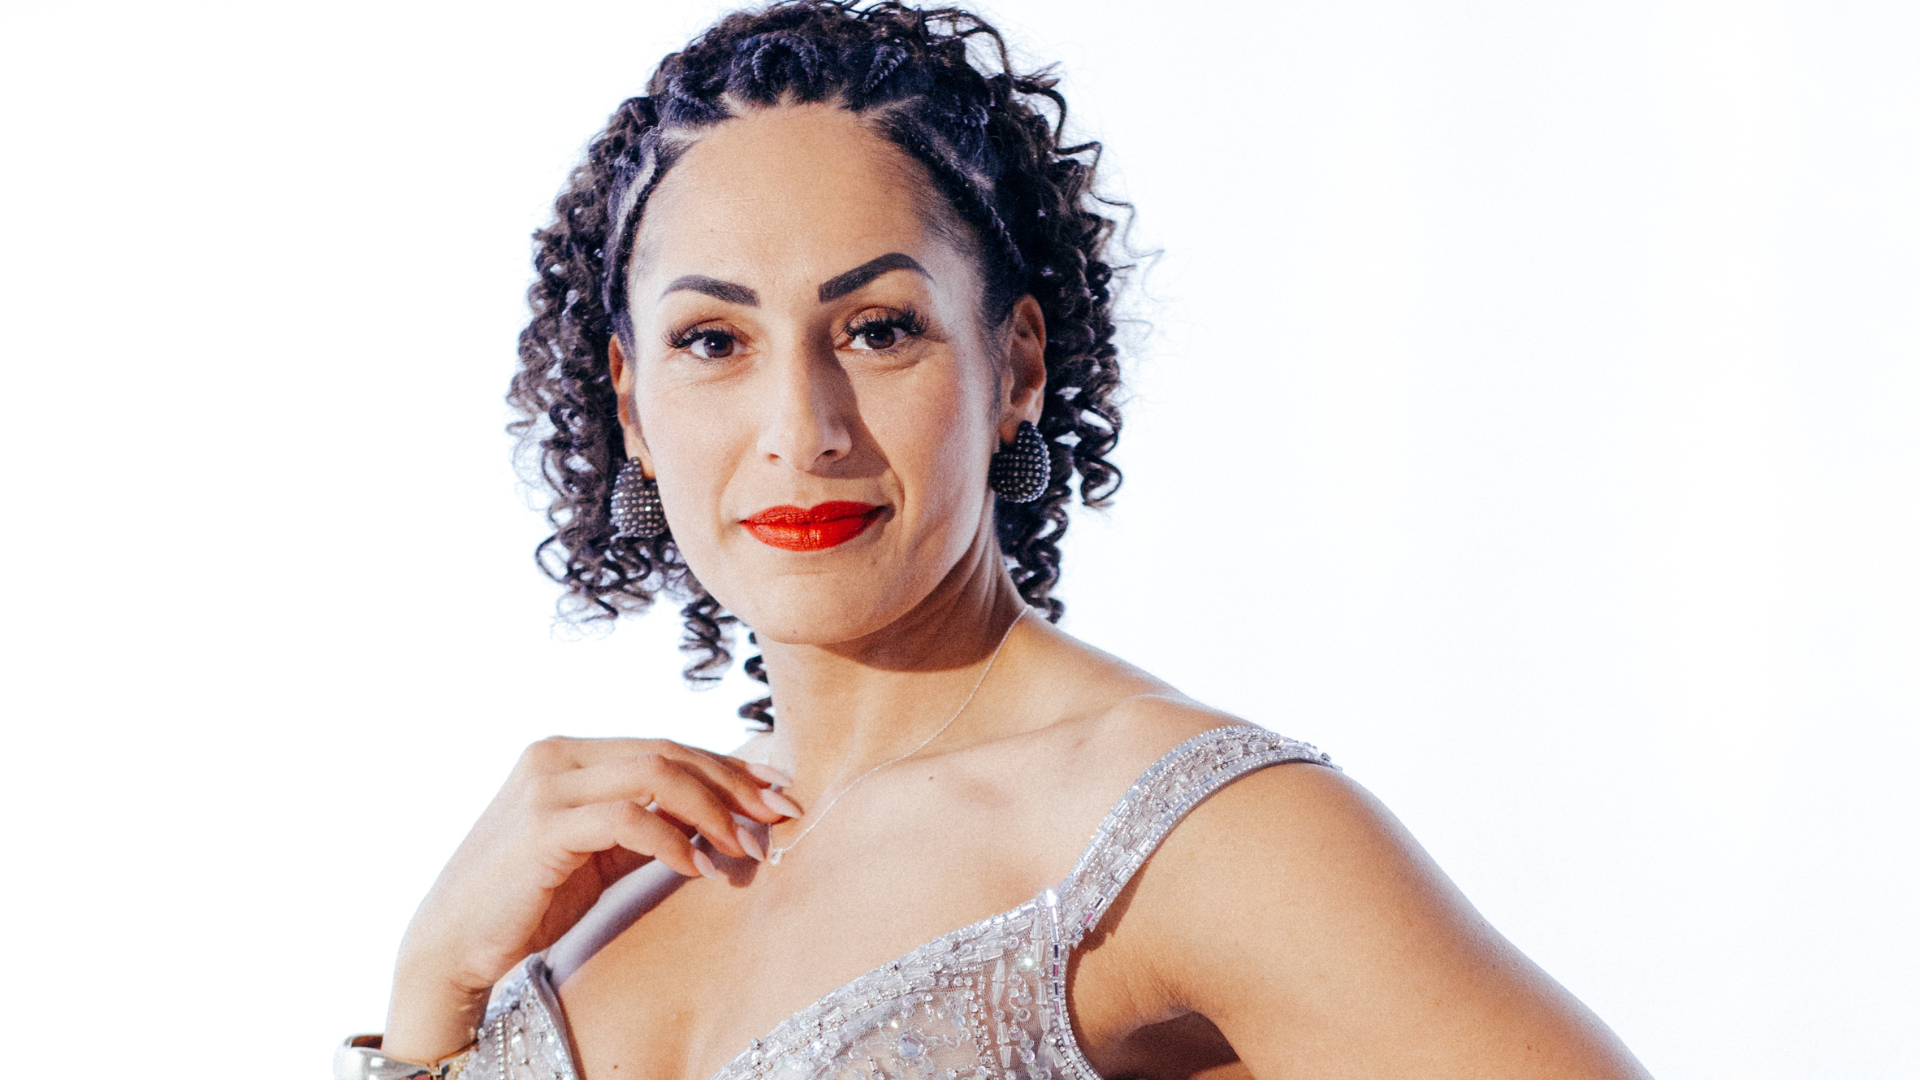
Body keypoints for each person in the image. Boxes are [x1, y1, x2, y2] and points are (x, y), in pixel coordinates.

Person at [340, 3, 1650, 1078]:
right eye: (714, 341)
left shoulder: (1181, 837)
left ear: (1015, 363)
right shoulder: (603, 874)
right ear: (631, 402)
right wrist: (430, 1002)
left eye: (878, 329)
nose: (801, 431)